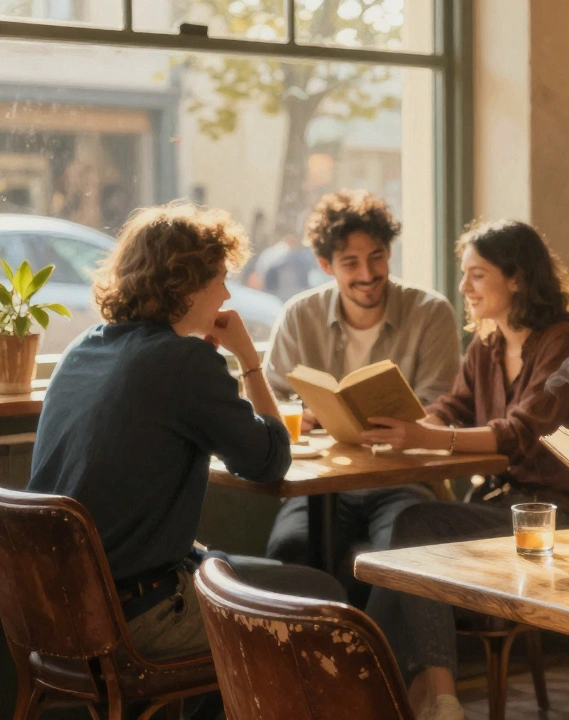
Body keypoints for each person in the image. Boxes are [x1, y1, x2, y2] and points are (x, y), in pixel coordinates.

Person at [28, 202, 345, 665]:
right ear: (186, 285)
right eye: (218, 279)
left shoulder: (84, 347)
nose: (225, 296)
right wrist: (248, 359)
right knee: (326, 599)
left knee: (246, 573)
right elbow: (270, 460)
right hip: (138, 616)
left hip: (51, 610)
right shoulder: (183, 362)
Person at [359, 219, 569, 720]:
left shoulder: (563, 343)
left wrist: (428, 438)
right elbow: (452, 407)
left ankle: (406, 696)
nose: (463, 287)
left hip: (558, 521)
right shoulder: (487, 344)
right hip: (498, 508)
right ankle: (401, 698)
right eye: (464, 275)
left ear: (516, 279)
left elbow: (521, 435)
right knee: (405, 554)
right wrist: (402, 423)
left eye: (477, 275)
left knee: (414, 527)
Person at [262, 190, 461, 590]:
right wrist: (304, 412)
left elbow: (440, 406)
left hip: (404, 479)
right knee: (291, 549)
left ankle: (388, 654)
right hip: (319, 482)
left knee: (402, 557)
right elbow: (273, 399)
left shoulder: (430, 312)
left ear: (389, 253)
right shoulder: (300, 315)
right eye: (350, 263)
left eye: (377, 257)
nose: (367, 274)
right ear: (325, 265)